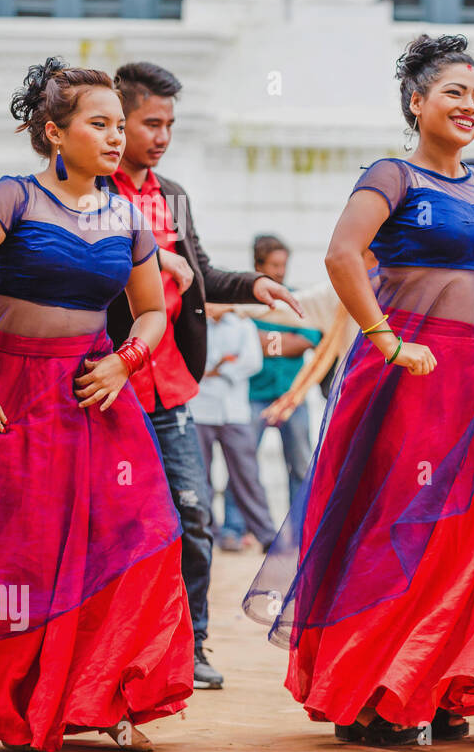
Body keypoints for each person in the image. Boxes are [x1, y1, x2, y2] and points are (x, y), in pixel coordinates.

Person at [244, 34, 474, 746]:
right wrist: (385, 339)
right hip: (404, 377)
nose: (470, 106)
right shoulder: (392, 177)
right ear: (416, 100)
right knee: (401, 521)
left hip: (473, 379)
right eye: (455, 92)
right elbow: (342, 255)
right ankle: (371, 690)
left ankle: (439, 678)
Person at [0, 58, 192, 752]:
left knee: (127, 537)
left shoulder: (127, 217)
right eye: (98, 124)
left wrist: (123, 361)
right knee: (17, 550)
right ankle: (12, 701)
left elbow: (150, 315)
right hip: (9, 397)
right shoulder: (11, 198)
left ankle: (99, 691)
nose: (114, 137)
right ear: (55, 132)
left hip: (95, 397)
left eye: (118, 125)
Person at [105, 61, 301, 690]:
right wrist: (146, 250)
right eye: (149, 123)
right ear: (118, 119)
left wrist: (253, 287)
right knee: (116, 523)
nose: (161, 136)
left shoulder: (175, 196)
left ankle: (191, 643)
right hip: (109, 387)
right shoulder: (89, 192)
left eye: (169, 124)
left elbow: (204, 273)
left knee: (194, 517)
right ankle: (112, 649)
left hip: (173, 390)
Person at [220, 235, 322, 551]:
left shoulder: (297, 298)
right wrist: (279, 341)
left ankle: (297, 530)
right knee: (243, 465)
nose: (280, 272)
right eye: (274, 266)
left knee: (300, 466)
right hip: (253, 395)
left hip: (293, 397)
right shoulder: (245, 300)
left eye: (283, 265)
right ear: (258, 265)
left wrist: (265, 342)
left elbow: (306, 340)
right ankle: (234, 531)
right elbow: (241, 342)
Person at [191, 303, 279, 554]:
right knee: (200, 477)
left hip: (235, 411)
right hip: (199, 409)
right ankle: (208, 535)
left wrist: (219, 370)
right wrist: (219, 366)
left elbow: (252, 361)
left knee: (247, 474)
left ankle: (266, 533)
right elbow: (192, 363)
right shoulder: (194, 324)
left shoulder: (243, 325)